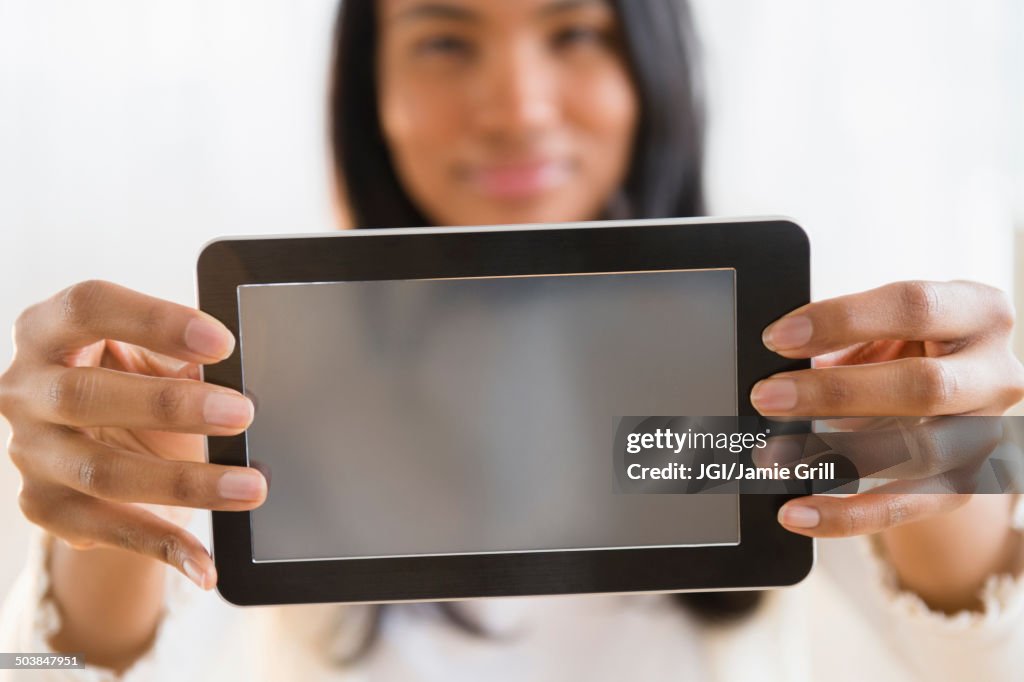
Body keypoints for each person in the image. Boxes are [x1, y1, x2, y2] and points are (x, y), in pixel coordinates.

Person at [2, 0, 1024, 679]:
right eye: (446, 39)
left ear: (650, 65)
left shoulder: (784, 349)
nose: (518, 108)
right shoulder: (264, 373)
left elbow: (980, 660)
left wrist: (956, 467)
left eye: (575, 31)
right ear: (373, 91)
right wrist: (112, 509)